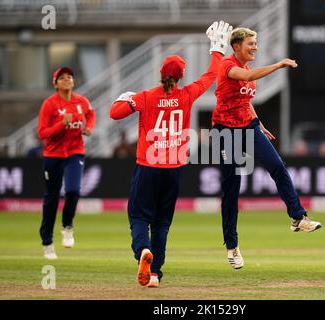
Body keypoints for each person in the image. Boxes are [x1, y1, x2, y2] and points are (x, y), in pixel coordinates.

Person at [109, 21, 233, 288]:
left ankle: (143, 250)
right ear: (180, 76)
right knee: (162, 223)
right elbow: (211, 75)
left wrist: (126, 98)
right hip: (174, 169)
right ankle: (155, 274)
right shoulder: (186, 95)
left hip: (148, 166)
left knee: (139, 217)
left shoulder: (146, 96)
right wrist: (217, 49)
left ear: (161, 74)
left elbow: (114, 113)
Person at [211, 27, 322, 270]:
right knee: (231, 189)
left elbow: (245, 101)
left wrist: (259, 124)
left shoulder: (247, 68)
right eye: (251, 43)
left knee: (277, 166)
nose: (255, 47)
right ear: (237, 46)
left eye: (256, 43)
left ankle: (297, 217)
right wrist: (279, 65)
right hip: (224, 131)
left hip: (248, 127)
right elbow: (247, 79)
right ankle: (232, 246)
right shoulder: (228, 65)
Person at [37, 67, 95, 259]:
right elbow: (42, 133)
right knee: (51, 199)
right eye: (62, 78)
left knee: (73, 191)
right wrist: (62, 123)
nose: (67, 80)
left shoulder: (81, 101)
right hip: (53, 155)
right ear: (55, 84)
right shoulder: (50, 104)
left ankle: (67, 226)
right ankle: (47, 242)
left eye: (69, 77)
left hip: (74, 152)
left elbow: (91, 114)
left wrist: (89, 128)